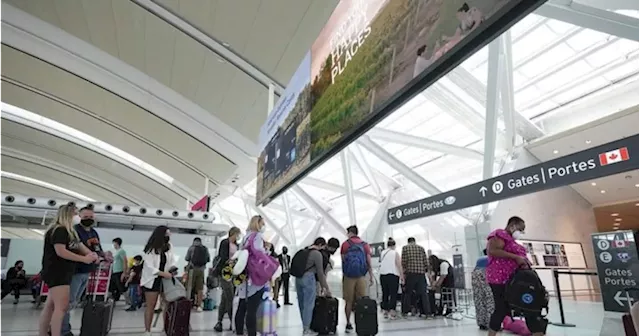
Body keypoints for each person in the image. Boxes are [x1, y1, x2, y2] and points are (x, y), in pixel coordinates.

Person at [38, 203, 98, 336]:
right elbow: (61, 252)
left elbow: (79, 246)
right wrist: (84, 259)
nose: (78, 217)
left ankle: (43, 333)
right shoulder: (59, 230)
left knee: (50, 306)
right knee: (62, 307)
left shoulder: (70, 232)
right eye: (76, 214)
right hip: (58, 272)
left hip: (63, 272)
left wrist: (92, 255)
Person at [486, 216, 544, 336]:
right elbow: (493, 251)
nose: (521, 232)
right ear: (512, 225)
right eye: (520, 229)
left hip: (516, 279)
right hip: (500, 279)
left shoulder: (512, 241)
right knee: (501, 308)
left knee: (530, 307)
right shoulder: (499, 234)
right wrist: (516, 257)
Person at [61, 206, 103, 336]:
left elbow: (97, 249)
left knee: (74, 302)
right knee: (68, 302)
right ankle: (63, 330)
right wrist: (90, 257)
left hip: (87, 271)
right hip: (75, 271)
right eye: (85, 217)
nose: (88, 219)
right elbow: (74, 248)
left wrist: (104, 255)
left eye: (91, 217)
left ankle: (63, 327)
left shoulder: (94, 233)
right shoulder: (74, 231)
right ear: (79, 217)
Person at [235, 215, 269, 336]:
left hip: (245, 275)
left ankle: (239, 332)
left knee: (242, 306)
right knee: (252, 310)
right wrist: (267, 253)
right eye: (262, 223)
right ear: (257, 224)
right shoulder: (257, 236)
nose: (263, 226)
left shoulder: (246, 237)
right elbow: (259, 254)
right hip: (255, 278)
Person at [140, 225, 175, 336]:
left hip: (166, 279)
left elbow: (172, 261)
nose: (169, 237)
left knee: (167, 304)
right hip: (152, 279)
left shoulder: (169, 247)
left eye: (169, 235)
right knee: (151, 305)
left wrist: (172, 270)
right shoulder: (150, 249)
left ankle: (166, 328)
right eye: (167, 234)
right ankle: (147, 330)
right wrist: (162, 273)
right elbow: (150, 267)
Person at [340, 225, 373, 333]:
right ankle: (361, 322)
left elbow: (343, 260)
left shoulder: (345, 244)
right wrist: (371, 275)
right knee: (361, 301)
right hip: (361, 276)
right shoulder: (365, 245)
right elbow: (368, 262)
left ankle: (348, 323)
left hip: (349, 276)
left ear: (350, 233)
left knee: (348, 301)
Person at [296, 237, 332, 334]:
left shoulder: (304, 250)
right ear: (320, 245)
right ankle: (306, 329)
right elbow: (320, 273)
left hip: (298, 278)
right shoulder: (317, 254)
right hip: (308, 278)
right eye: (323, 246)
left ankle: (304, 325)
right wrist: (326, 288)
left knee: (301, 303)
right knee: (309, 304)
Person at [214, 227, 241, 332]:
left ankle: (219, 321)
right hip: (225, 273)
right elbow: (223, 256)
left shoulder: (237, 245)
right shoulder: (225, 242)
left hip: (233, 273)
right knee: (230, 297)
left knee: (225, 298)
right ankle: (233, 322)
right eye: (237, 234)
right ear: (233, 233)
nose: (238, 237)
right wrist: (232, 262)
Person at [401, 237, 430, 318]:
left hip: (410, 273)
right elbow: (426, 262)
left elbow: (403, 261)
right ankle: (427, 312)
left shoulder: (405, 248)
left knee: (408, 293)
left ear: (408, 242)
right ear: (414, 241)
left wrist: (404, 273)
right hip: (421, 273)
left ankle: (406, 312)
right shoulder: (421, 248)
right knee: (423, 294)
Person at [379, 238, 404, 319]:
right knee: (393, 293)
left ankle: (385, 311)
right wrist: (402, 276)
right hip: (392, 275)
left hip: (383, 275)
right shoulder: (395, 253)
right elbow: (399, 265)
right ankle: (392, 311)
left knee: (385, 293)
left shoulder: (383, 252)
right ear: (394, 245)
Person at [185, 237, 210, 312]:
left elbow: (187, 258)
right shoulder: (205, 248)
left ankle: (188, 304)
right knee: (200, 288)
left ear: (194, 241)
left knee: (189, 287)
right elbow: (208, 259)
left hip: (192, 270)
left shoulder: (191, 248)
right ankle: (199, 305)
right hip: (201, 270)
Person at [473, 249, 494, 330]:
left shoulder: (479, 259)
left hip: (476, 276)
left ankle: (481, 323)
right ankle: (490, 323)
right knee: (490, 300)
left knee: (479, 300)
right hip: (486, 274)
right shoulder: (491, 259)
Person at [111, 237, 128, 302]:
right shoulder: (116, 252)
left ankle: (128, 301)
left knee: (121, 287)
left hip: (119, 272)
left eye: (114, 243)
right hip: (115, 271)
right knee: (114, 287)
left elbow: (125, 261)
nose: (113, 245)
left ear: (117, 243)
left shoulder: (121, 251)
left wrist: (124, 273)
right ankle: (115, 299)